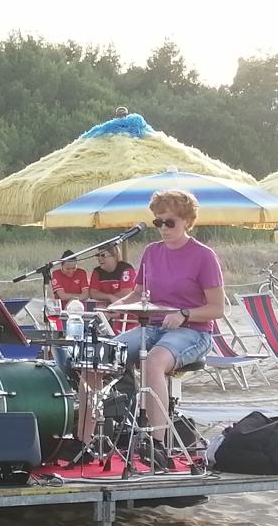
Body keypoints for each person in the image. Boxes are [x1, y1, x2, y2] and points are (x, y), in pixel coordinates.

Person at [110, 189, 224, 463]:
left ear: (186, 221)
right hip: (155, 327)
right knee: (103, 354)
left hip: (193, 332)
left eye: (169, 222)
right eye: (157, 222)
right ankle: (95, 436)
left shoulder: (203, 256)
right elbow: (138, 294)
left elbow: (217, 309)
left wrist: (185, 314)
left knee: (153, 362)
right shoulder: (151, 252)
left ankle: (155, 442)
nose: (163, 228)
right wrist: (115, 307)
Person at [89, 245, 137, 333]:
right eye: (97, 255)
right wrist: (110, 297)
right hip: (107, 314)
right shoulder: (97, 272)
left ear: (114, 256)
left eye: (103, 255)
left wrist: (107, 301)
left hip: (128, 317)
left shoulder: (126, 269)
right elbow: (93, 293)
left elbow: (126, 293)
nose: (99, 259)